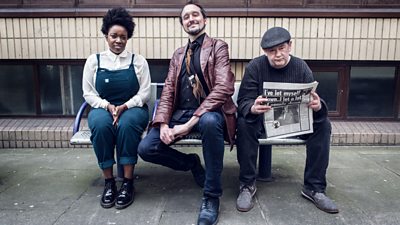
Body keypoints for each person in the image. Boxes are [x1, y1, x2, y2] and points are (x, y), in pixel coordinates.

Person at [138, 2, 236, 225]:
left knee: (210, 123)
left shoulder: (218, 47)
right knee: (147, 148)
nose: (191, 19)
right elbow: (169, 90)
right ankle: (191, 163)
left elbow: (223, 88)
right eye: (186, 17)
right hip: (180, 113)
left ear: (204, 19)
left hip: (208, 113)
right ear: (182, 24)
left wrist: (190, 123)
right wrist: (163, 124)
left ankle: (211, 197)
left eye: (195, 15)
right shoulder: (178, 54)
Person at [235, 27, 339, 214]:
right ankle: (247, 185)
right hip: (262, 123)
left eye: (281, 48)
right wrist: (252, 107)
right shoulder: (255, 67)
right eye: (271, 51)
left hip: (293, 122)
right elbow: (243, 101)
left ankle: (314, 188)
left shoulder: (301, 67)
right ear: (265, 52)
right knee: (244, 124)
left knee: (323, 125)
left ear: (290, 46)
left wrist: (318, 105)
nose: (277, 55)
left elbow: (313, 98)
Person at [82, 7, 151, 210]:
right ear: (106, 36)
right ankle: (109, 182)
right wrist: (107, 106)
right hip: (102, 107)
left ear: (128, 38)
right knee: (101, 126)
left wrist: (125, 106)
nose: (118, 41)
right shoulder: (94, 61)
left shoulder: (138, 61)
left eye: (123, 37)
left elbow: (145, 93)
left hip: (133, 108)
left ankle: (128, 183)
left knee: (128, 125)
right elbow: (88, 93)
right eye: (114, 36)